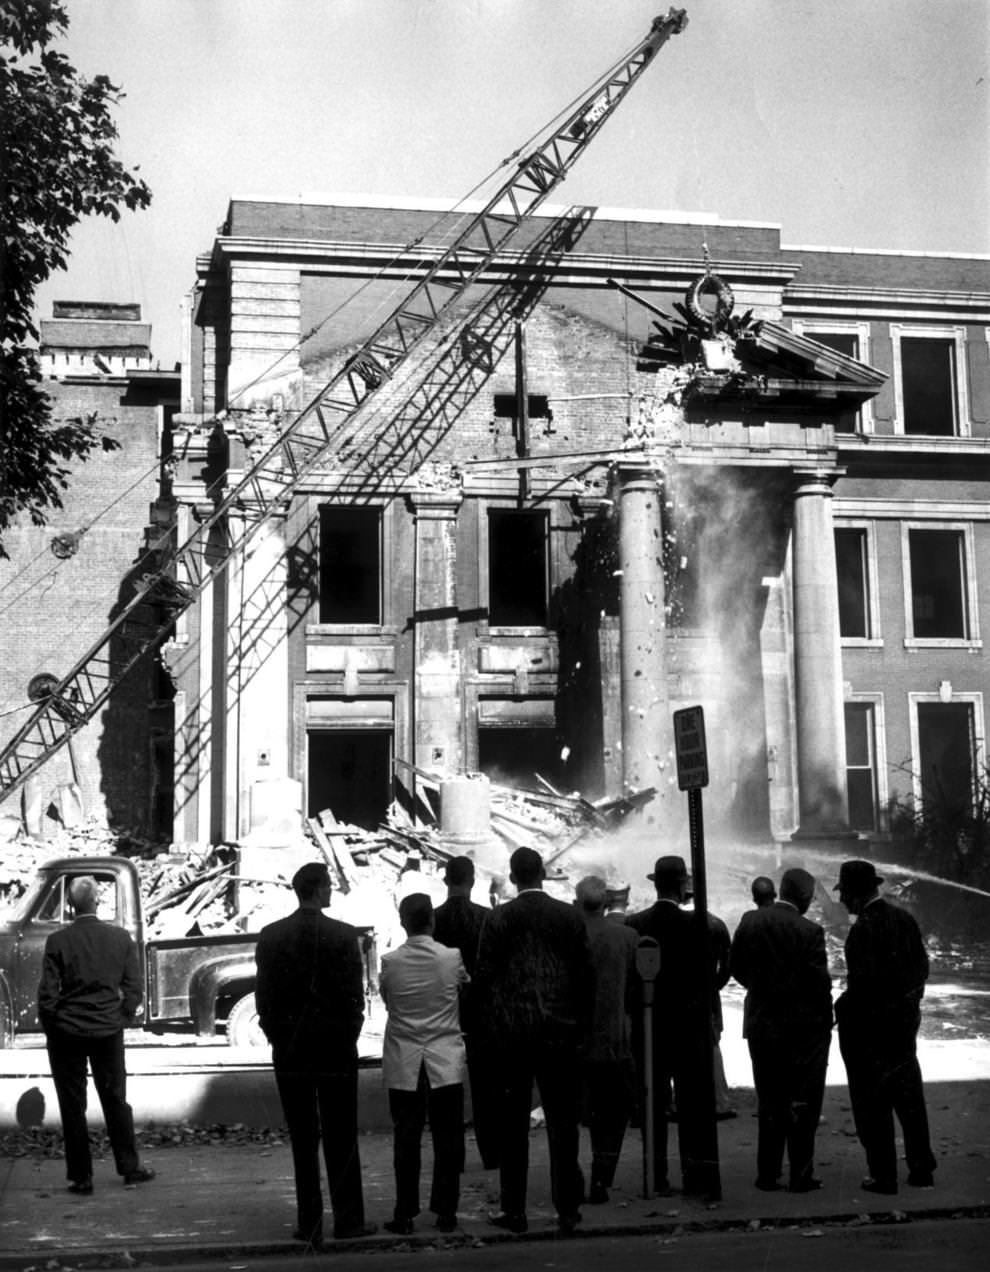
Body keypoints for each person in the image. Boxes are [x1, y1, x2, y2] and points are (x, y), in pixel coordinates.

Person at [254, 862, 375, 1249]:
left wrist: (280, 1038)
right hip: (336, 1049)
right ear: (320, 889)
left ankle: (310, 1224)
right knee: (342, 1134)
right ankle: (349, 1219)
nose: (331, 892)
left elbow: (264, 1000)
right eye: (328, 887)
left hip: (292, 1051)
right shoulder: (343, 935)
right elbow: (355, 1000)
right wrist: (347, 1036)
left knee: (303, 1139)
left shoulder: (272, 936)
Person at [473, 846, 592, 1234]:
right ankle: (568, 1210)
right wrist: (581, 1029)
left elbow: (484, 980)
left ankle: (515, 1211)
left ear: (513, 876)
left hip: (512, 1039)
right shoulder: (570, 917)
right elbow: (585, 978)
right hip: (560, 1034)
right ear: (542, 873)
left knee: (512, 1128)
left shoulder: (499, 919)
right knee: (563, 1125)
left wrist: (491, 1030)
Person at [37, 876, 155, 1195]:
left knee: (72, 1104)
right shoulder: (120, 938)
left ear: (71, 904)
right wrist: (121, 1016)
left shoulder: (58, 941)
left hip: (67, 1032)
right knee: (116, 1099)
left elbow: (47, 994)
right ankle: (130, 1168)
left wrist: (54, 1026)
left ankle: (81, 1176)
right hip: (107, 1030)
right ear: (97, 901)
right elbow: (133, 987)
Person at [834, 859, 937, 1195]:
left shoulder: (861, 930)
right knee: (910, 1101)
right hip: (903, 1029)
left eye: (844, 894)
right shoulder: (904, 919)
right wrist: (909, 1010)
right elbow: (921, 970)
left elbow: (861, 986)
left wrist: (842, 1009)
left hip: (871, 1034)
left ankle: (883, 1176)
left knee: (873, 1106)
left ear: (854, 895)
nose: (841, 901)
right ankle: (922, 1169)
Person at [729, 867, 833, 1192]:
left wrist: (762, 989)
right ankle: (801, 1174)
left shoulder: (751, 921)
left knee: (770, 1098)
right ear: (802, 896)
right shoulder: (810, 931)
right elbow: (819, 985)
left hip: (762, 1022)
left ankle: (767, 1174)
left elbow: (736, 968)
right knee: (803, 1100)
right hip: (801, 1028)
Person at [627, 855, 717, 1198]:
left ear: (654, 884)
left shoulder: (637, 924)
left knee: (653, 1103)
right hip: (688, 1027)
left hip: (650, 1026)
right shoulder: (698, 924)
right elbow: (708, 976)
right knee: (692, 1104)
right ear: (683, 885)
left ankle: (656, 1175)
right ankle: (695, 1176)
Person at [379, 893, 469, 1234]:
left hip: (405, 1061)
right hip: (444, 1060)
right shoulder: (452, 957)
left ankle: (405, 1213)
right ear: (432, 920)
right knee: (448, 1139)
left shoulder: (390, 962)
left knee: (406, 1139)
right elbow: (462, 990)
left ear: (403, 922)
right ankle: (446, 1212)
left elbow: (389, 1001)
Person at [573, 875, 638, 1203]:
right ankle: (602, 1174)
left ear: (577, 901)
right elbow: (639, 990)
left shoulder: (568, 935)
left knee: (570, 1114)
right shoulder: (627, 936)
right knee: (614, 1111)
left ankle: (572, 1179)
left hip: (574, 1041)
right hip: (615, 1040)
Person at [432, 855, 499, 1169]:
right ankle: (491, 1153)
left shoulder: (432, 920)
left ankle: (451, 1158)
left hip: (444, 1014)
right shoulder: (488, 918)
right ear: (472, 881)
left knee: (447, 1090)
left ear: (446, 881)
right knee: (487, 1089)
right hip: (482, 1013)